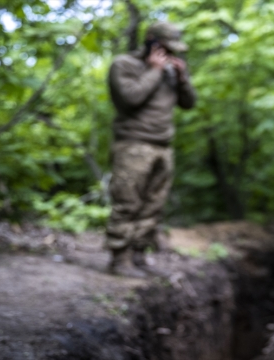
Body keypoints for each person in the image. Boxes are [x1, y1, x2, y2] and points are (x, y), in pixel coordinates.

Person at [105, 21, 196, 278]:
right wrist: (154, 70)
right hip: (133, 145)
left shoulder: (171, 69)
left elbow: (189, 104)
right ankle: (119, 259)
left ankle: (138, 255)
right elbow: (130, 98)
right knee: (127, 202)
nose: (171, 54)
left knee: (153, 205)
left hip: (163, 146)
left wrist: (182, 78)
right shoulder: (124, 64)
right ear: (151, 42)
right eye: (166, 48)